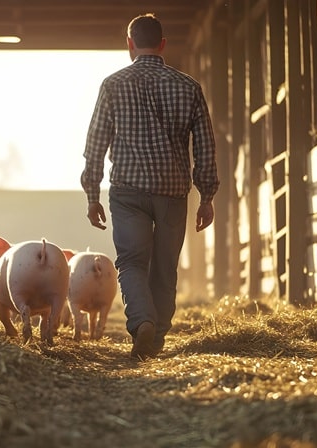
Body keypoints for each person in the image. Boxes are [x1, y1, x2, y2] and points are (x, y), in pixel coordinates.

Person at [80, 13, 219, 360]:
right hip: (172, 192)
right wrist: (207, 196)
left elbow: (96, 143)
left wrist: (92, 195)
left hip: (128, 191)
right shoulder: (189, 87)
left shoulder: (113, 85)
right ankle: (156, 337)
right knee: (165, 265)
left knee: (131, 262)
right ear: (162, 45)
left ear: (129, 44)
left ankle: (141, 321)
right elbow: (205, 146)